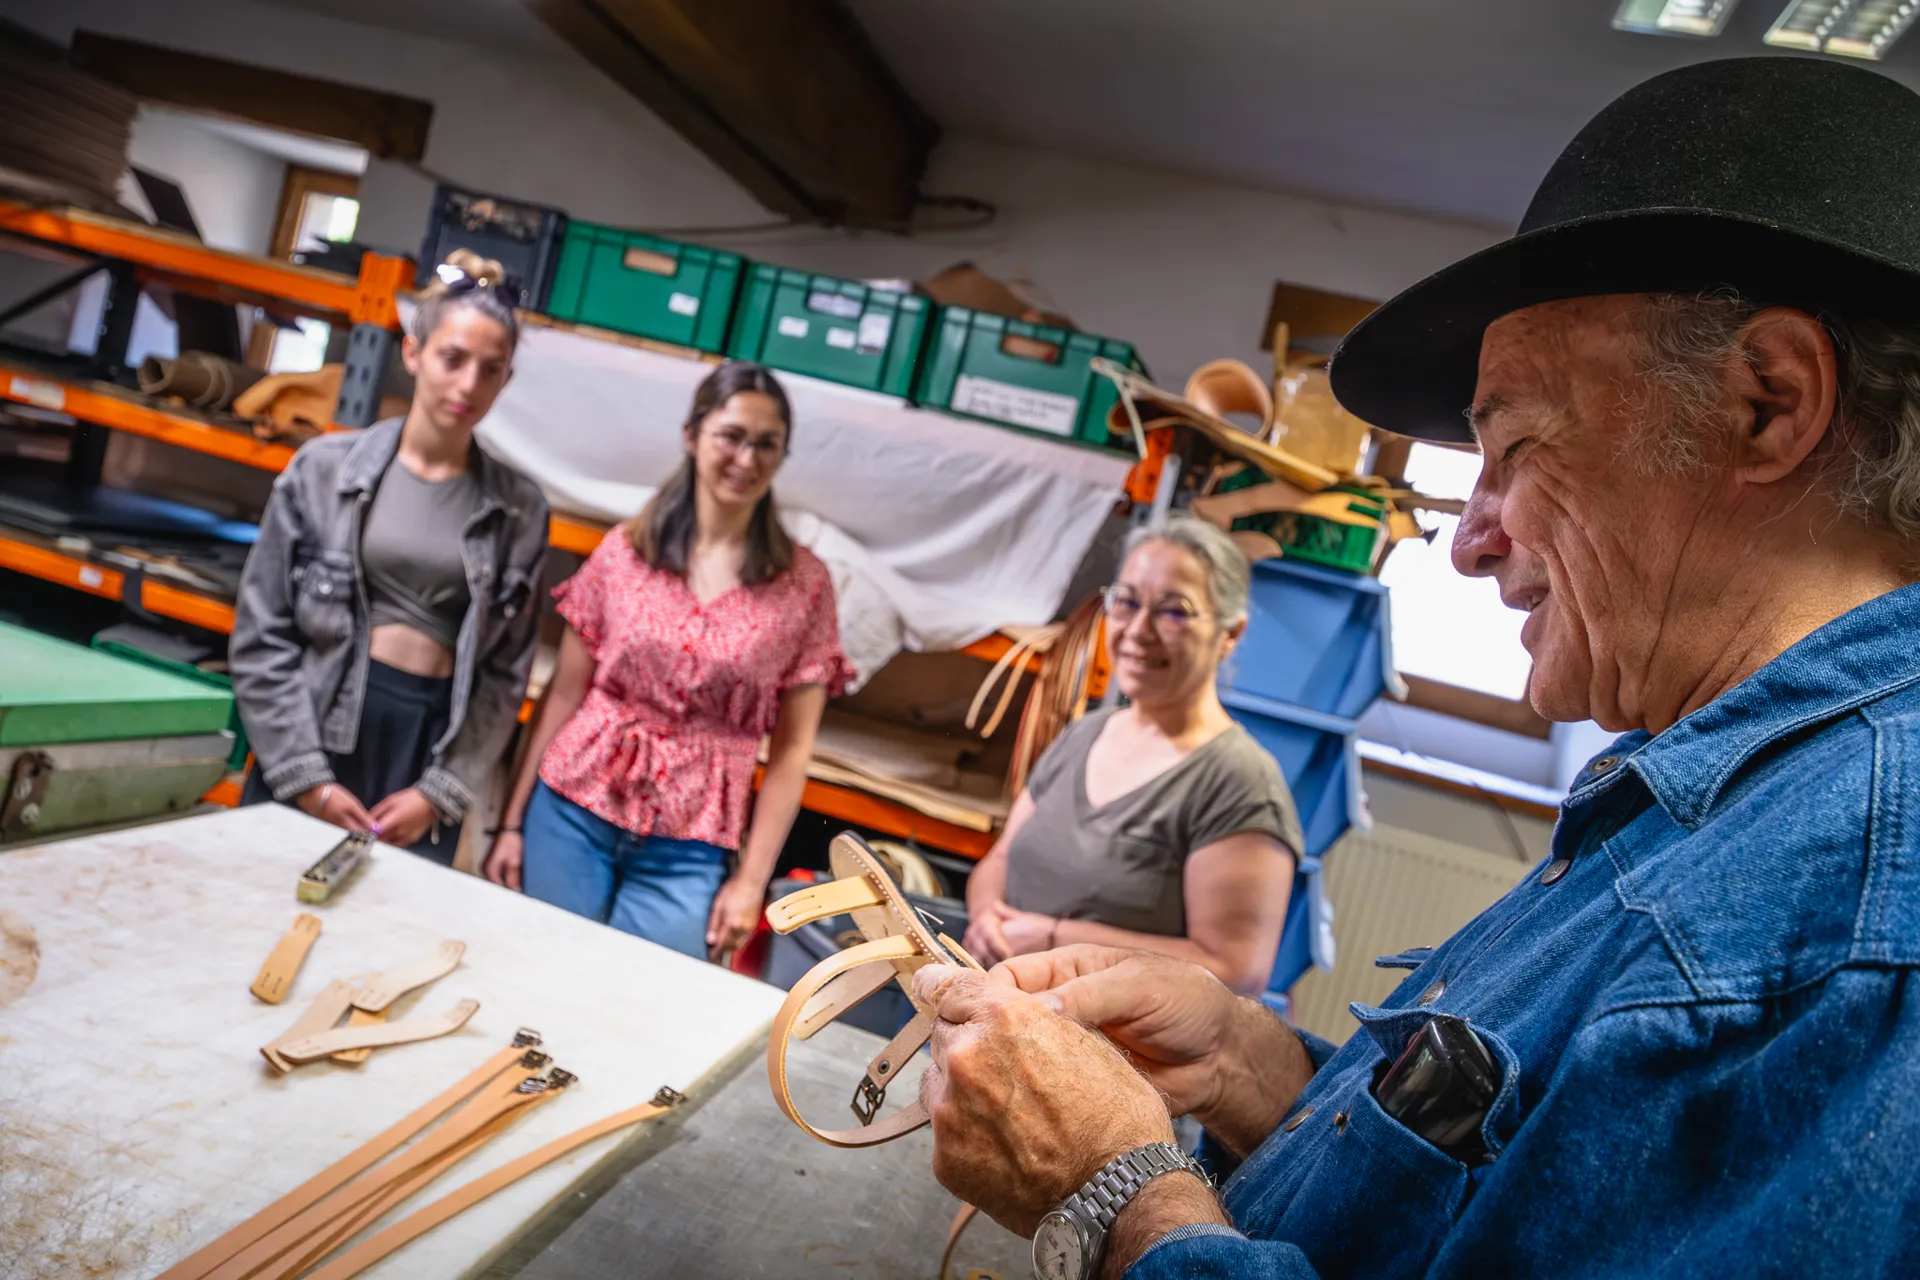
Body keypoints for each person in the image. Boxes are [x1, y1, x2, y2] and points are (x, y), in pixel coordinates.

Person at [911, 57, 1920, 1280]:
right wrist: (1250, 1068)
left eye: (1517, 444)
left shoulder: (1861, 923)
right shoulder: (1720, 797)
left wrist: (1122, 1195)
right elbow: (1502, 1201)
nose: (1471, 536)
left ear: (1768, 401)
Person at [484, 361, 853, 961]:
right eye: (731, 436)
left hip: (689, 845)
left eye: (767, 444)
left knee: (645, 997)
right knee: (542, 970)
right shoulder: (626, 552)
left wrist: (751, 882)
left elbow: (791, 752)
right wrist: (511, 824)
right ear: (692, 435)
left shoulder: (803, 586)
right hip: (572, 808)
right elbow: (565, 694)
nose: (747, 459)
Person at [231, 251, 549, 862]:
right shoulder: (322, 471)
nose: (468, 385)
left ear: (506, 379)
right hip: (313, 728)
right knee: (263, 897)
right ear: (413, 353)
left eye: (490, 370)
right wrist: (306, 777)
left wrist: (440, 792)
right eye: (452, 359)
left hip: (426, 754)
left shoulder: (519, 509)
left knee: (390, 918)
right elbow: (260, 632)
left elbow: (505, 674)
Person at [962, 513, 1299, 995]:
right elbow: (999, 860)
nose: (1139, 630)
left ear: (1230, 634)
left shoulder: (1239, 782)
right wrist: (986, 921)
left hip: (1104, 1039)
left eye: (1174, 611)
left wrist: (1057, 939)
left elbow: (1234, 970)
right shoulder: (1083, 734)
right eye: (1126, 602)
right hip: (1000, 1006)